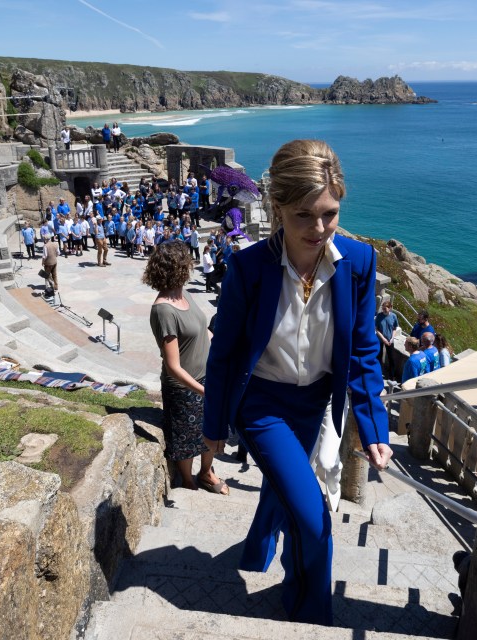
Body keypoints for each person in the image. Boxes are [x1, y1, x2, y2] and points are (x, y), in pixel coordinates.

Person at [203, 139, 392, 627]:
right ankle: (309, 608)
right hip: (262, 405)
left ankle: (258, 545)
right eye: (304, 215)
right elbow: (223, 354)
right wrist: (215, 426)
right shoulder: (248, 268)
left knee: (284, 487)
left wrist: (374, 431)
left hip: (314, 404)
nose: (320, 228)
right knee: (313, 515)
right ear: (278, 207)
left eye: (329, 213)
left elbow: (365, 351)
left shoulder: (359, 263)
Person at [144, 240, 228, 494]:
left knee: (211, 433)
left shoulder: (184, 294)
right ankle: (188, 480)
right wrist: (204, 391)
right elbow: (172, 366)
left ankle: (206, 473)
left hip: (207, 377)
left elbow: (202, 331)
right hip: (183, 387)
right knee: (187, 438)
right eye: (186, 263)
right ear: (178, 267)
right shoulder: (164, 310)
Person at [374, 299, 399, 379]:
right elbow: (376, 329)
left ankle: (391, 377)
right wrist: (383, 339)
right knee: (378, 357)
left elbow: (394, 328)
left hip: (390, 340)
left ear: (390, 308)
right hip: (380, 339)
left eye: (385, 308)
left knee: (391, 358)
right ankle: (377, 374)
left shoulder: (393, 316)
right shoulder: (379, 316)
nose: (383, 310)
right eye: (383, 308)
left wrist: (392, 338)